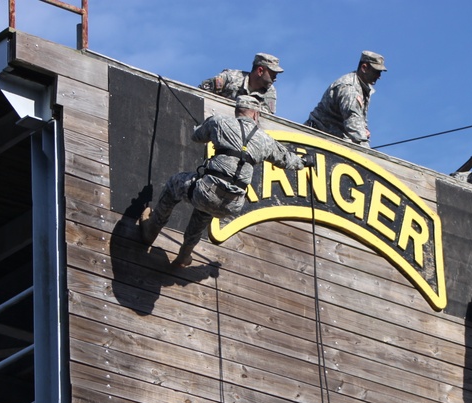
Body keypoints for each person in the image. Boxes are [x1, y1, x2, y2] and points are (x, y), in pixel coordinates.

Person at [139, 94, 315, 267]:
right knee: (206, 210)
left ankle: (151, 229)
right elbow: (289, 160)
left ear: (238, 111)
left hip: (207, 190)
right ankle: (185, 254)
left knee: (174, 184)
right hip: (233, 204)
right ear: (255, 114)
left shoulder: (220, 122)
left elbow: (196, 136)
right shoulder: (265, 140)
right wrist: (305, 161)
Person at [305, 51, 386, 147]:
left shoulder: (363, 88)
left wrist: (364, 129)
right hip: (315, 137)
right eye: (376, 72)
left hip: (331, 139)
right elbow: (353, 121)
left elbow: (359, 118)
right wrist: (366, 149)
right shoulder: (349, 89)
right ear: (364, 68)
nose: (379, 76)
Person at [199, 53, 282, 114]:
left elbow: (266, 118)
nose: (275, 79)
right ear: (260, 71)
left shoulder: (270, 92)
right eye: (272, 74)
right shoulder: (230, 78)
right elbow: (200, 93)